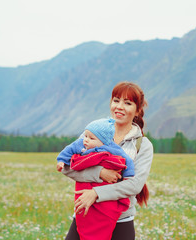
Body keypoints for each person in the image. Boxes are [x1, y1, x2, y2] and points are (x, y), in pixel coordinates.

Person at [62, 81, 154, 240]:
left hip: (121, 222)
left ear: (137, 110)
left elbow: (135, 185)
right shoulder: (91, 133)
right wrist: (100, 173)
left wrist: (96, 194)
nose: (119, 106)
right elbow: (67, 166)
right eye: (116, 100)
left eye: (128, 103)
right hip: (85, 215)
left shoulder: (143, 145)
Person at [56, 118, 136, 240]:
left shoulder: (112, 148)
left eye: (91, 138)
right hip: (84, 203)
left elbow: (128, 163)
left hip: (116, 214)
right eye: (86, 136)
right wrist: (61, 160)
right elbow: (69, 151)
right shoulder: (83, 144)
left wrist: (128, 176)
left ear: (104, 142)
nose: (86, 139)